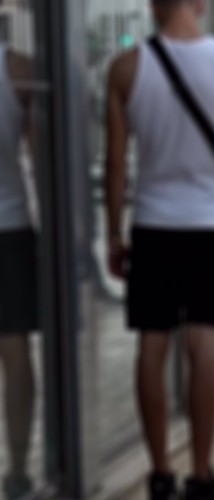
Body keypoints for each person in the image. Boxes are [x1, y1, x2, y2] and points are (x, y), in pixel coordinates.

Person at [104, 1, 214, 499]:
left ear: (154, 6)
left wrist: (115, 233)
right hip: (211, 226)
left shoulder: (126, 68)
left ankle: (158, 474)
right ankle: (200, 474)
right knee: (204, 343)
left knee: (153, 346)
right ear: (200, 3)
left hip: (154, 224)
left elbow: (115, 163)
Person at [0, 43, 38, 500]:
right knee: (15, 353)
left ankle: (22, 471)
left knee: (15, 354)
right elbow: (43, 155)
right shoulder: (17, 69)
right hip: (9, 227)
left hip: (11, 229)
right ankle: (20, 471)